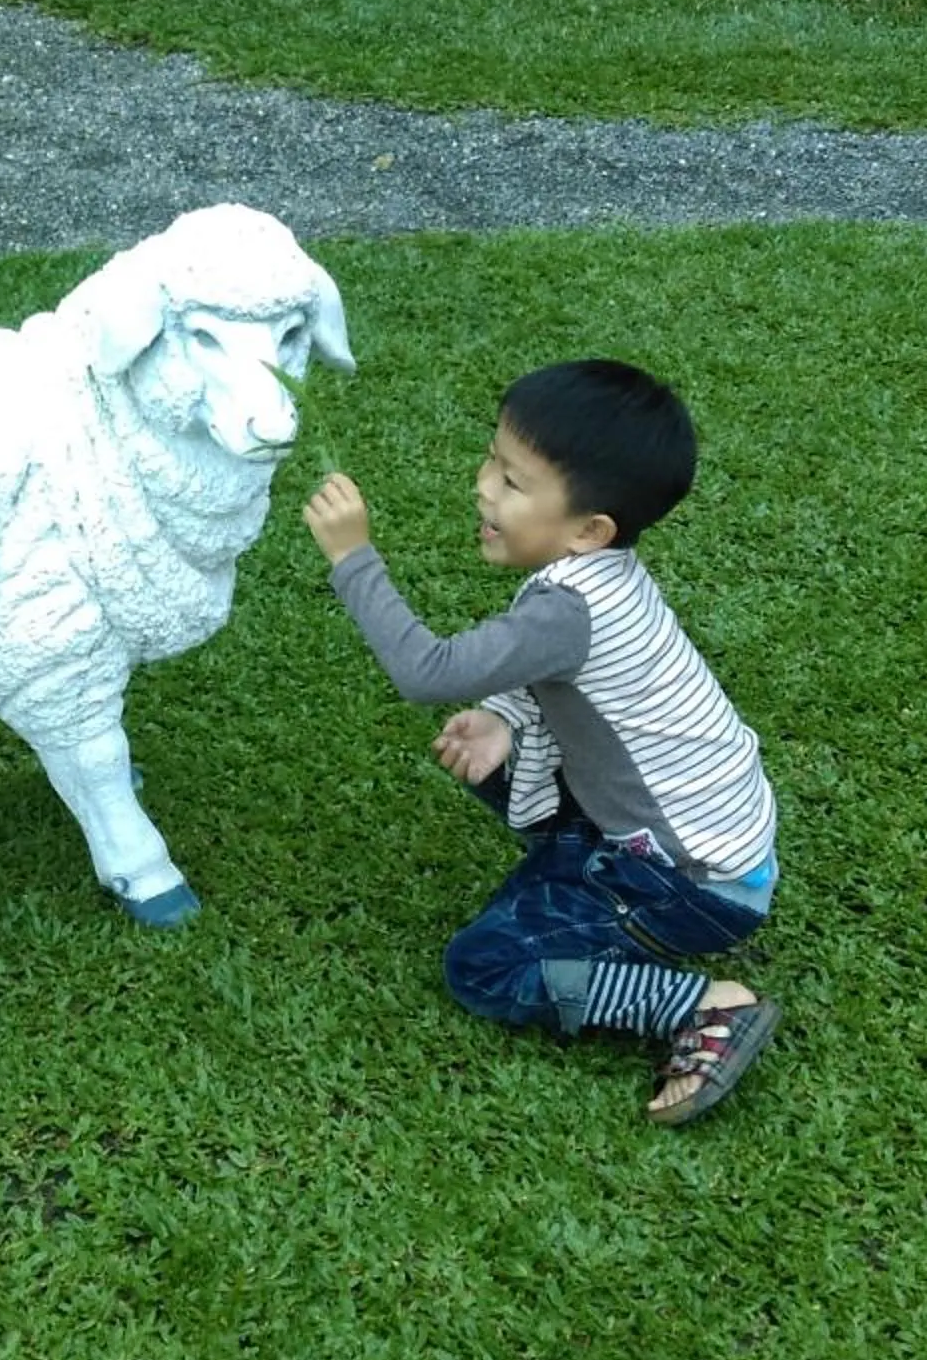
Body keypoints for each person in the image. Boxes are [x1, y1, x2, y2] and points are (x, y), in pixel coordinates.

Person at [303, 359, 778, 1126]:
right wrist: (506, 717)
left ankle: (701, 1006)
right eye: (493, 458)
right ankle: (581, 875)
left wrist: (352, 558)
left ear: (590, 530)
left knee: (484, 966)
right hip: (713, 839)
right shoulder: (602, 579)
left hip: (694, 886)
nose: (484, 486)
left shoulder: (568, 609)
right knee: (491, 753)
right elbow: (569, 683)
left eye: (514, 482)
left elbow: (427, 671)